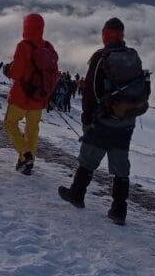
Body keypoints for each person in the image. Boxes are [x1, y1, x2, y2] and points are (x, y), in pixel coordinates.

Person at [58, 18, 145, 225]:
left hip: (103, 121)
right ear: (122, 35)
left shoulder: (100, 57)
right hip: (126, 121)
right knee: (120, 166)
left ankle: (77, 194)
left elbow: (90, 91)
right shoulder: (133, 56)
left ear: (105, 35)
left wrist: (87, 118)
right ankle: (119, 210)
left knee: (88, 159)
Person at [2, 13, 59, 175]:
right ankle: (27, 162)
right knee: (32, 129)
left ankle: (25, 154)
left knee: (10, 123)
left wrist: (7, 70)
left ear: (26, 27)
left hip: (21, 96)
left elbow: (16, 73)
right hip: (39, 98)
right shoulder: (48, 47)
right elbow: (54, 74)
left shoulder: (24, 46)